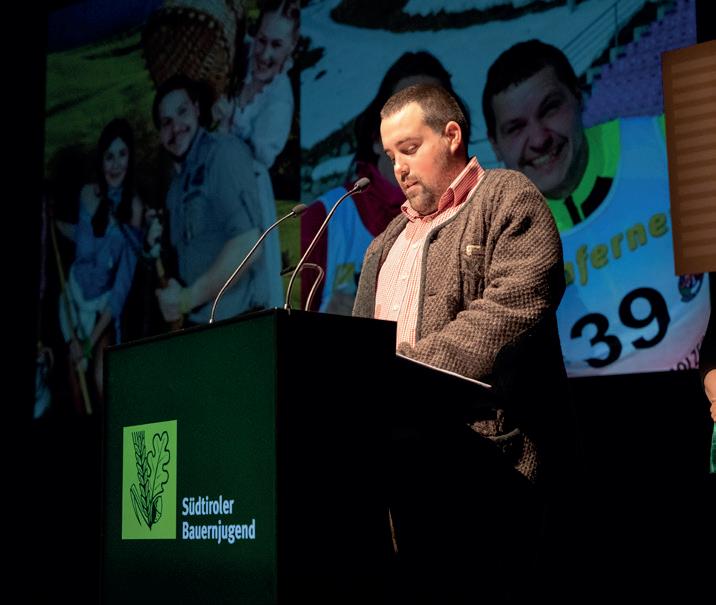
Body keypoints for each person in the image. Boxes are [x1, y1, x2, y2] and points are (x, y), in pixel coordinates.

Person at [353, 83, 570, 603]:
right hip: (399, 486)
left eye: (410, 149)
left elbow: (516, 304)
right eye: (391, 156)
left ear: (451, 135)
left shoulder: (507, 197)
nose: (399, 169)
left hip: (490, 479)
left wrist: (401, 371)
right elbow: (361, 356)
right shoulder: (382, 245)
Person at [482, 39, 709, 376]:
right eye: (515, 128)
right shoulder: (495, 235)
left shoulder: (665, 142)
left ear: (579, 97)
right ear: (495, 145)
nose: (539, 139)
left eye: (550, 109)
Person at [300, 51, 471, 314]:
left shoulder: (480, 212)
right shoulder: (324, 219)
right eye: (403, 112)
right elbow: (284, 330)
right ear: (376, 137)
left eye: (432, 115)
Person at [153, 74, 269, 325]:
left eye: (182, 112)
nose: (176, 127)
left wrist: (187, 298)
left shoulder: (222, 153)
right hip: (200, 324)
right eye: (166, 122)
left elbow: (248, 244)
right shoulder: (175, 188)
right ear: (160, 133)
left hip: (241, 322)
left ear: (197, 109)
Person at [212, 0, 300, 307]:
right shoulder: (241, 61)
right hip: (218, 183)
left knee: (247, 269)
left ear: (291, 46)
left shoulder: (279, 99)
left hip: (248, 189)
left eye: (276, 45)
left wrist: (228, 122)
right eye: (261, 40)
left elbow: (258, 156)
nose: (264, 53)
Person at [57, 118, 145, 407]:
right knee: (74, 381)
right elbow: (84, 241)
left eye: (122, 154)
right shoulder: (87, 193)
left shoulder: (133, 208)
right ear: (101, 159)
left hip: (104, 308)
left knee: (100, 376)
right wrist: (54, 224)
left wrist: (88, 344)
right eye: (109, 156)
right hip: (74, 298)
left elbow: (121, 286)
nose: (116, 164)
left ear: (130, 157)